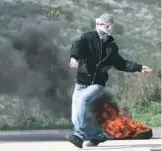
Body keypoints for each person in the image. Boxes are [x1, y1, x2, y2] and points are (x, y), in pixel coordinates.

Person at [65, 13, 152, 148]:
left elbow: (120, 63)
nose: (101, 27)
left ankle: (78, 137)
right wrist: (74, 57)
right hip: (81, 83)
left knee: (82, 100)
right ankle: (99, 135)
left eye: (105, 25)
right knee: (76, 118)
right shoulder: (88, 37)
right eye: (100, 24)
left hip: (97, 84)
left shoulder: (112, 46)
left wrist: (139, 67)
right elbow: (77, 45)